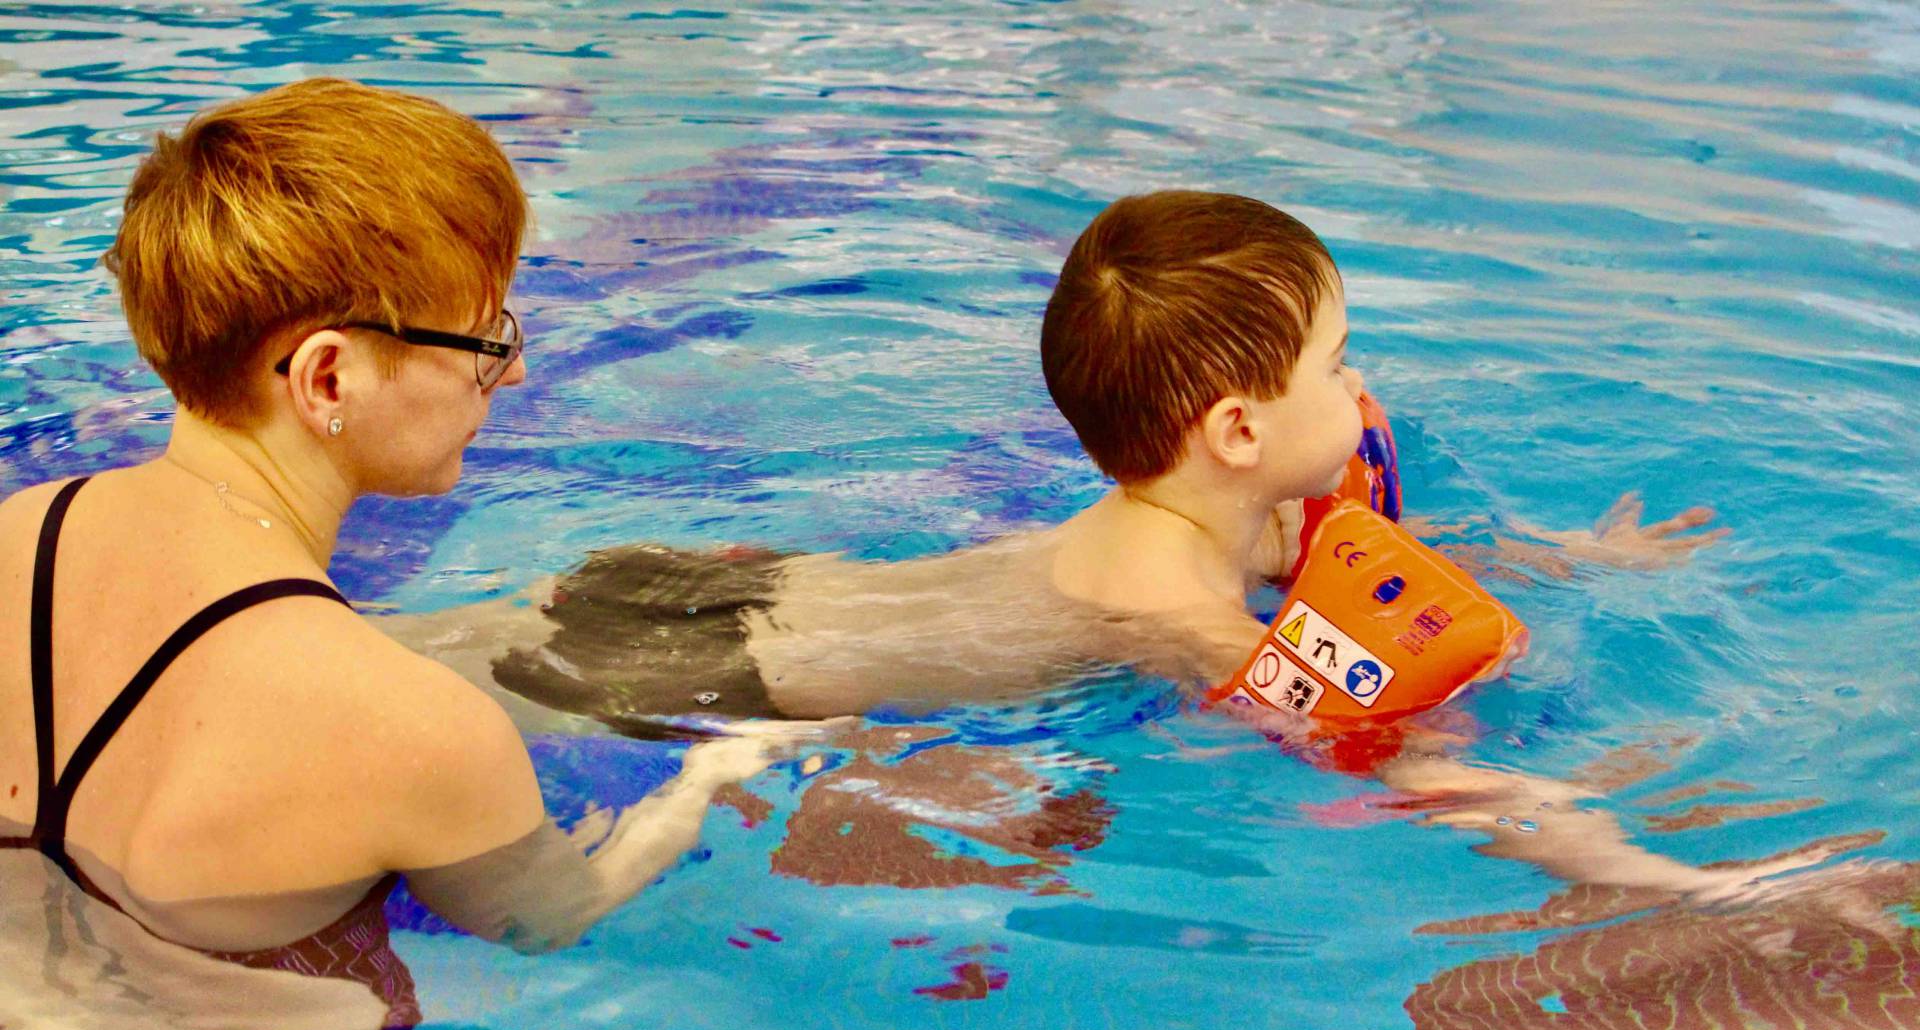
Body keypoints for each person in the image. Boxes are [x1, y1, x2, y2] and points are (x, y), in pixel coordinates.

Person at [0, 78, 826, 1030]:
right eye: (485, 343)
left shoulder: (19, 536)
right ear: (328, 379)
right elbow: (551, 920)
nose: (512, 374)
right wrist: (721, 767)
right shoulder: (410, 726)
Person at [394, 190, 1723, 729]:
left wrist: (1566, 565)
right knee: (392, 680)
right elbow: (1347, 735)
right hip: (720, 662)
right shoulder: (1172, 607)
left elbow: (1359, 576)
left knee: (412, 649)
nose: (1363, 388)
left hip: (746, 591)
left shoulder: (1196, 528)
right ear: (1241, 434)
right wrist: (1588, 830)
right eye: (1338, 361)